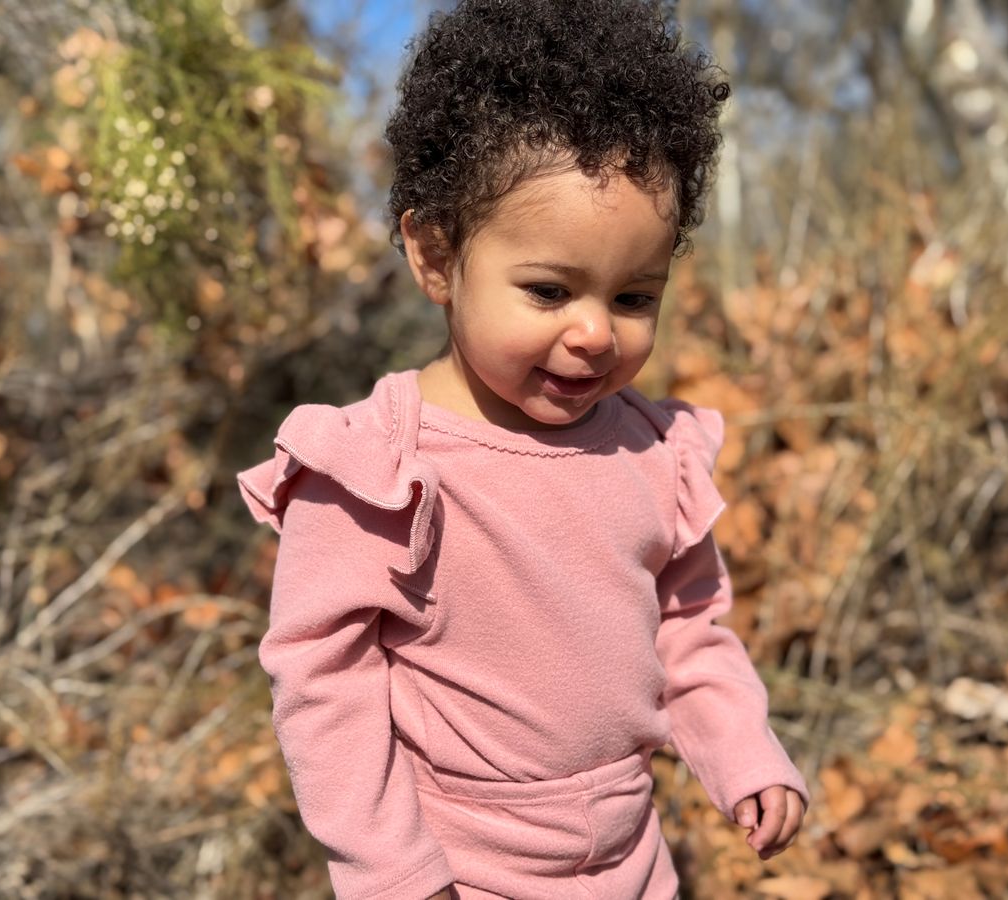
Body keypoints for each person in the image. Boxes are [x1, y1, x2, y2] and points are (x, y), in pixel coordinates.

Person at [238, 1, 808, 897]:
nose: (595, 333)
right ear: (436, 255)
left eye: (634, 298)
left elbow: (690, 629)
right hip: (461, 866)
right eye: (548, 291)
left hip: (634, 860)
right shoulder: (379, 469)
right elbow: (324, 687)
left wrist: (743, 751)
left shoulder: (652, 452)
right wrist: (394, 870)